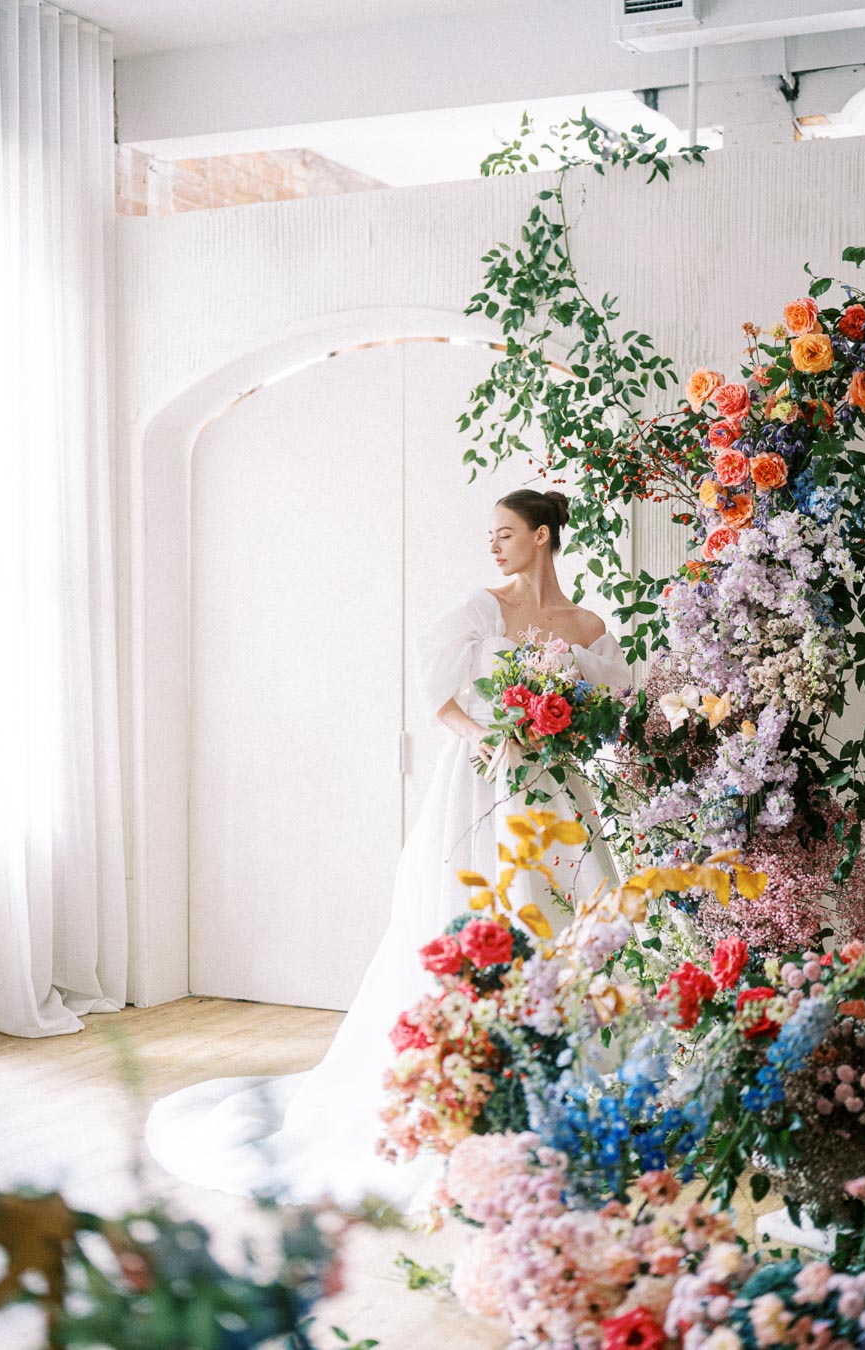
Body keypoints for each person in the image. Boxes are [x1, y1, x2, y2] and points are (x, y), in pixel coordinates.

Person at [145, 489, 632, 1213]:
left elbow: (612, 711)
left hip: (555, 790)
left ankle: (572, 1084)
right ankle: (464, 1085)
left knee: (566, 922)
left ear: (543, 535)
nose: (493, 546)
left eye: (505, 534)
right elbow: (437, 690)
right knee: (472, 920)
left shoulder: (589, 625)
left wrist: (562, 730)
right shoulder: (480, 609)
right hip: (480, 783)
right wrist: (490, 735)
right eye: (489, 535)